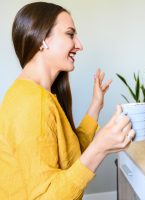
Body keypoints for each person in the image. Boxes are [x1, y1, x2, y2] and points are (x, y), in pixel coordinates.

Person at [0, 2, 135, 199]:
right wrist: (99, 148)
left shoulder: (38, 95)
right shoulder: (31, 104)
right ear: (42, 39)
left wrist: (96, 104)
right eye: (70, 34)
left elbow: (69, 155)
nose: (79, 45)